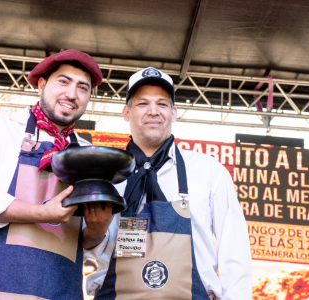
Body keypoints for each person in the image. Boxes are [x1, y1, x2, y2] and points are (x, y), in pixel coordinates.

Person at [0, 49, 114, 300]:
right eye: (63, 81)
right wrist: (43, 213)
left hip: (59, 289)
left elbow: (88, 245)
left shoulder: (87, 155)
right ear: (41, 84)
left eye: (83, 88)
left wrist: (98, 229)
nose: (72, 94)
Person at [87, 67, 253, 299]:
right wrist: (94, 234)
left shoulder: (208, 171)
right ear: (126, 113)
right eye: (143, 103)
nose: (153, 111)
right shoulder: (104, 174)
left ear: (174, 113)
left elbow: (234, 251)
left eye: (162, 104)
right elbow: (88, 247)